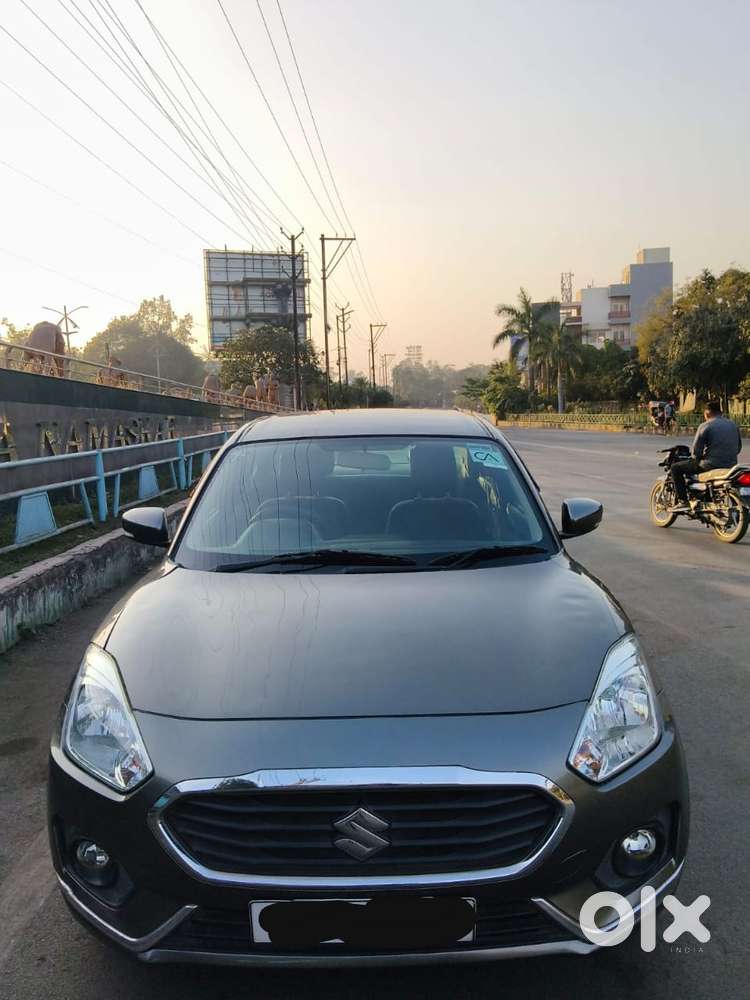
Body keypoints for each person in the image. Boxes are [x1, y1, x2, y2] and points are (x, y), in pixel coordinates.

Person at [670, 401, 742, 512]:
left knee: (675, 468)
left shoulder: (706, 425)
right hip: (731, 466)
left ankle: (683, 501)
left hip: (710, 465)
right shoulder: (733, 425)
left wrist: (697, 458)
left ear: (707, 413)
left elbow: (696, 451)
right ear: (721, 412)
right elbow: (738, 448)